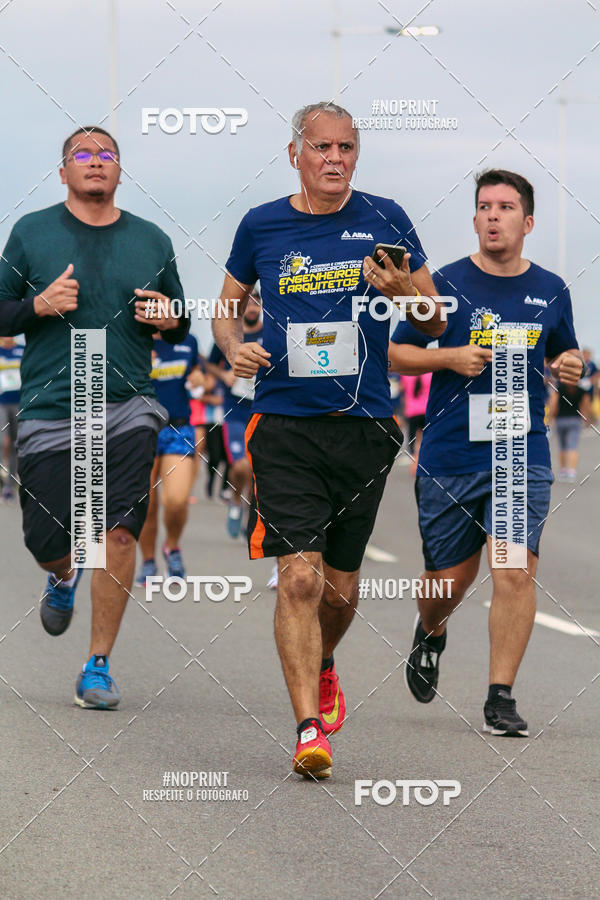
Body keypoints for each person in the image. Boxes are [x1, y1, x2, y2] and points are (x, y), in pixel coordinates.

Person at [213, 101, 445, 778]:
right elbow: (227, 309)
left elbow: (433, 323)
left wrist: (405, 289)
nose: (335, 159)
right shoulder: (262, 225)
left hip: (366, 428)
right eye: (321, 147)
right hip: (284, 426)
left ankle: (325, 662)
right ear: (295, 154)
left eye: (346, 147)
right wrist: (233, 346)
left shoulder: (386, 218)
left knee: (341, 592)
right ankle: (308, 729)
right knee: (299, 579)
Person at [389, 169, 584, 736]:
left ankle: (500, 695)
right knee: (447, 581)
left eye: (504, 206)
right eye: (483, 206)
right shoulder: (443, 284)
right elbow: (397, 353)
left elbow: (567, 358)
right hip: (451, 452)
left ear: (527, 222)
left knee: (513, 571)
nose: (493, 215)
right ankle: (431, 632)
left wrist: (570, 368)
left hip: (520, 451)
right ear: (474, 219)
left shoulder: (550, 288)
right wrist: (447, 359)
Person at [0, 125, 188, 708]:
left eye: (107, 154)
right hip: (53, 406)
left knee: (119, 532)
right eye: (83, 154)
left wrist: (168, 316)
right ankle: (61, 576)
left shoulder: (152, 241)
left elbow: (179, 319)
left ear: (119, 170)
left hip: (130, 404)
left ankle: (98, 664)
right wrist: (36, 305)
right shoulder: (31, 233)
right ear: (63, 172)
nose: (96, 161)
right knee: (47, 539)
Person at [136, 332, 204, 584]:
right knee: (147, 504)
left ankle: (172, 547)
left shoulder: (188, 340)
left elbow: (199, 380)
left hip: (178, 427)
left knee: (176, 500)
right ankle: (148, 561)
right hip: (141, 428)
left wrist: (200, 380)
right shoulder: (133, 339)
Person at [207, 290, 263, 538]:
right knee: (240, 465)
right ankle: (235, 499)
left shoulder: (270, 331)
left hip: (261, 409)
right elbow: (209, 363)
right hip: (236, 410)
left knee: (257, 468)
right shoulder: (232, 335)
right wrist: (224, 375)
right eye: (248, 302)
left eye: (256, 302)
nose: (252, 307)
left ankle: (251, 516)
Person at [547, 379, 591, 482]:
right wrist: (588, 419)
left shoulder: (559, 389)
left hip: (560, 420)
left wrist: (550, 418)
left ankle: (562, 470)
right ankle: (571, 471)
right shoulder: (581, 390)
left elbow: (553, 404)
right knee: (573, 446)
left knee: (562, 446)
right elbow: (586, 406)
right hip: (575, 420)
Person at [0, 335, 23, 501]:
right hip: (1, 403)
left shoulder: (22, 350)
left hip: (19, 403)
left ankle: (9, 485)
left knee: (16, 445)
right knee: (1, 442)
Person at [401, 372, 431, 475]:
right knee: (426, 439)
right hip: (427, 411)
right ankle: (424, 464)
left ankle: (415, 463)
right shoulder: (430, 373)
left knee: (414, 441)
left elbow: (403, 392)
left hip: (412, 412)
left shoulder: (406, 375)